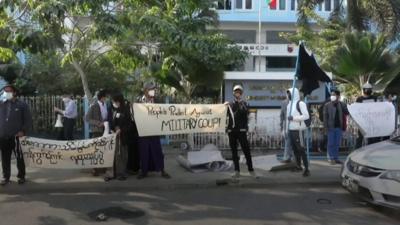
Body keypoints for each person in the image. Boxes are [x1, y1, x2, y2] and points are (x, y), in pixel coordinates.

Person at [137, 82, 170, 179]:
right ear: (145, 90)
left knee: (158, 151)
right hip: (143, 131)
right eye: (151, 89)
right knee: (144, 152)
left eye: (153, 89)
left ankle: (162, 170)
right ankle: (144, 172)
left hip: (154, 130)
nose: (153, 91)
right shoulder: (138, 101)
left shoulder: (157, 100)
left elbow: (163, 113)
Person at [0, 85, 32, 185]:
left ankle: (21, 176)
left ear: (14, 92)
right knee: (5, 158)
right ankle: (6, 177)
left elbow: (28, 120)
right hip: (4, 136)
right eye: (4, 91)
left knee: (19, 157)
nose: (6, 93)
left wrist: (23, 131)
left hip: (18, 136)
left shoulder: (22, 105)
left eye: (8, 91)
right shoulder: (2, 104)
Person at [226, 84, 257, 178]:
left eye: (239, 92)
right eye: (236, 92)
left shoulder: (245, 104)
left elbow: (246, 114)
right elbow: (223, 115)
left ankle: (251, 170)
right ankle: (236, 171)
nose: (237, 93)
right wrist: (223, 106)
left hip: (242, 131)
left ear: (241, 93)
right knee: (234, 152)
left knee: (246, 151)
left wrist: (240, 103)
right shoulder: (229, 104)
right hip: (232, 131)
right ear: (233, 93)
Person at [104, 93, 132, 181]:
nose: (114, 103)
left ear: (119, 101)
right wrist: (112, 128)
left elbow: (129, 124)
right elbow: (108, 120)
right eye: (113, 101)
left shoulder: (125, 109)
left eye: (116, 101)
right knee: (110, 155)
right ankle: (110, 174)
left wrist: (121, 130)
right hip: (112, 135)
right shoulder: (110, 108)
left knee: (122, 155)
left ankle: (121, 173)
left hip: (122, 136)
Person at [85, 89, 111, 176]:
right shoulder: (94, 106)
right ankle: (95, 169)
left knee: (104, 149)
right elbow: (86, 118)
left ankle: (103, 167)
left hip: (105, 130)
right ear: (102, 97)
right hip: (97, 131)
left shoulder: (105, 105)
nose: (106, 98)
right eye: (105, 97)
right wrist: (98, 123)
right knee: (96, 150)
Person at [286, 87, 310, 177]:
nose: (288, 95)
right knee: (295, 150)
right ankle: (298, 166)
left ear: (294, 94)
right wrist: (285, 129)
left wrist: (294, 118)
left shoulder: (301, 103)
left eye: (289, 93)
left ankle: (307, 169)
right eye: (287, 93)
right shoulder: (289, 105)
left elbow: (306, 116)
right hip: (291, 129)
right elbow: (287, 118)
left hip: (298, 129)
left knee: (301, 149)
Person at [323, 90, 349, 165]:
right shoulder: (327, 105)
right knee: (331, 143)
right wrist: (325, 127)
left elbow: (347, 112)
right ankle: (331, 159)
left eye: (334, 94)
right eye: (331, 95)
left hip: (339, 127)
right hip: (330, 127)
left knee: (337, 144)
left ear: (338, 96)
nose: (332, 96)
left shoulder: (342, 104)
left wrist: (350, 107)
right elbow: (325, 117)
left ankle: (336, 158)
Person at [355, 83, 379, 148]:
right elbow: (356, 110)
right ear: (364, 90)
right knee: (360, 138)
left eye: (369, 89)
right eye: (367, 89)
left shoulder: (375, 98)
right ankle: (357, 152)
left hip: (372, 122)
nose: (368, 90)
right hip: (362, 122)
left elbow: (379, 108)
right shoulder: (359, 99)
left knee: (372, 139)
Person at [280, 93, 293, 163]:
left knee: (291, 142)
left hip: (295, 124)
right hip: (286, 124)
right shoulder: (284, 103)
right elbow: (282, 115)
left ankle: (288, 157)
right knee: (287, 141)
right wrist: (282, 127)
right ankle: (287, 157)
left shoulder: (296, 102)